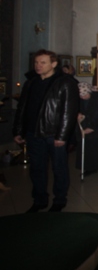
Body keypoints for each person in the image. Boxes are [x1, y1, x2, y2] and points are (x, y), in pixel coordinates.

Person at [13, 49, 79, 212]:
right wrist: (18, 130)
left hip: (53, 133)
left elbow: (68, 112)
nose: (38, 65)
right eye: (36, 62)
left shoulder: (65, 82)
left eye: (43, 62)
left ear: (54, 64)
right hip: (33, 132)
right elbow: (22, 108)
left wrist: (62, 136)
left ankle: (59, 200)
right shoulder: (31, 83)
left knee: (59, 168)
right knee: (37, 169)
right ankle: (39, 200)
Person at [76, 82, 98, 179]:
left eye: (85, 95)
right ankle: (90, 168)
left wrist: (92, 127)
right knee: (88, 148)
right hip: (85, 125)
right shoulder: (79, 99)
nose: (83, 97)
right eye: (81, 95)